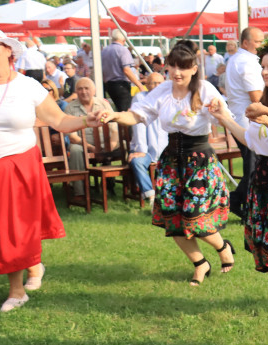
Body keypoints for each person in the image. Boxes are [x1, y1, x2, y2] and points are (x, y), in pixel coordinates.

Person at [99, 41, 235, 286]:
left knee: (195, 217)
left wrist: (219, 111)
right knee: (172, 221)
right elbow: (137, 115)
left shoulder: (204, 89)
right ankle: (200, 264)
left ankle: (223, 246)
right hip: (171, 160)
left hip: (199, 159)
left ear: (194, 68)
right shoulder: (161, 91)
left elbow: (226, 117)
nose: (177, 72)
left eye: (183, 67)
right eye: (173, 67)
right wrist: (115, 115)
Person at [0, 30, 96, 311]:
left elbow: (60, 121)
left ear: (8, 51)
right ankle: (32, 265)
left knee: (12, 228)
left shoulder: (28, 86)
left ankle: (17, 292)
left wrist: (86, 121)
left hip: (18, 165)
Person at [207, 35, 268, 287]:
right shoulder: (262, 101)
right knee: (263, 247)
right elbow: (252, 140)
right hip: (262, 175)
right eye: (262, 66)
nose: (264, 71)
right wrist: (225, 118)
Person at [223, 27, 266, 218]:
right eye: (258, 42)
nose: (261, 45)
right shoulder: (247, 63)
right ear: (246, 43)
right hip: (248, 121)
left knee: (253, 165)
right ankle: (239, 202)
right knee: (254, 166)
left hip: (241, 118)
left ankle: (240, 202)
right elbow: (256, 96)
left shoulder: (237, 59)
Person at [64, 77, 116, 197]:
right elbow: (72, 137)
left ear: (94, 90)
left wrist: (110, 146)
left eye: (86, 88)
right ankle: (80, 193)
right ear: (76, 91)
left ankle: (129, 186)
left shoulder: (103, 104)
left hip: (105, 143)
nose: (83, 91)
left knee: (124, 145)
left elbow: (114, 129)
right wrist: (92, 148)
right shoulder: (70, 108)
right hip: (83, 145)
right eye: (80, 89)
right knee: (75, 150)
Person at [128, 72, 168, 208]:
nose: (157, 86)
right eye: (153, 83)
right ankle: (151, 196)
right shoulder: (141, 98)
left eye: (160, 83)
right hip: (147, 150)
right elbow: (138, 126)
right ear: (146, 84)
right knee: (137, 161)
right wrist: (141, 151)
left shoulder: (169, 98)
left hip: (166, 150)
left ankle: (171, 197)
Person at [101, 30, 144, 112]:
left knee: (118, 110)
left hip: (109, 85)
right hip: (121, 86)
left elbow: (102, 71)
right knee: (125, 112)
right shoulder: (123, 50)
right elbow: (126, 70)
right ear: (124, 39)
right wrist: (140, 85)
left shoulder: (104, 51)